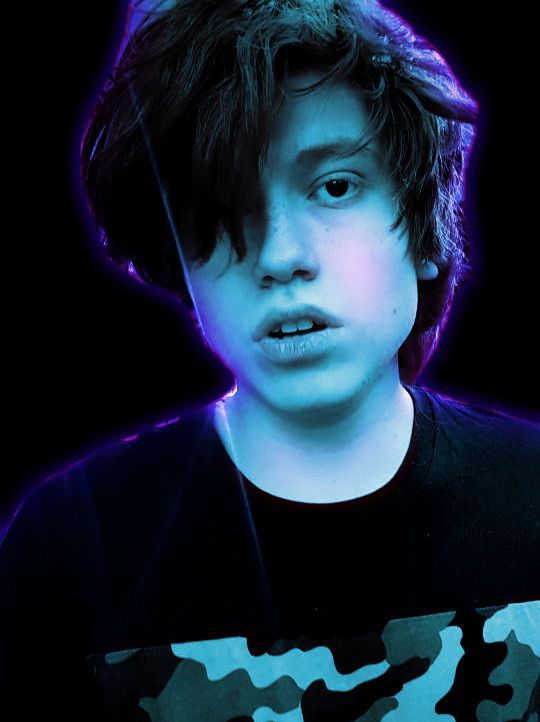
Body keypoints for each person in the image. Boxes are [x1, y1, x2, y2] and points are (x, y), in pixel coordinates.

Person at [1, 1, 538, 719]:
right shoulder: (68, 547)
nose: (282, 257)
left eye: (336, 186)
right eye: (222, 206)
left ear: (424, 227)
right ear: (180, 262)